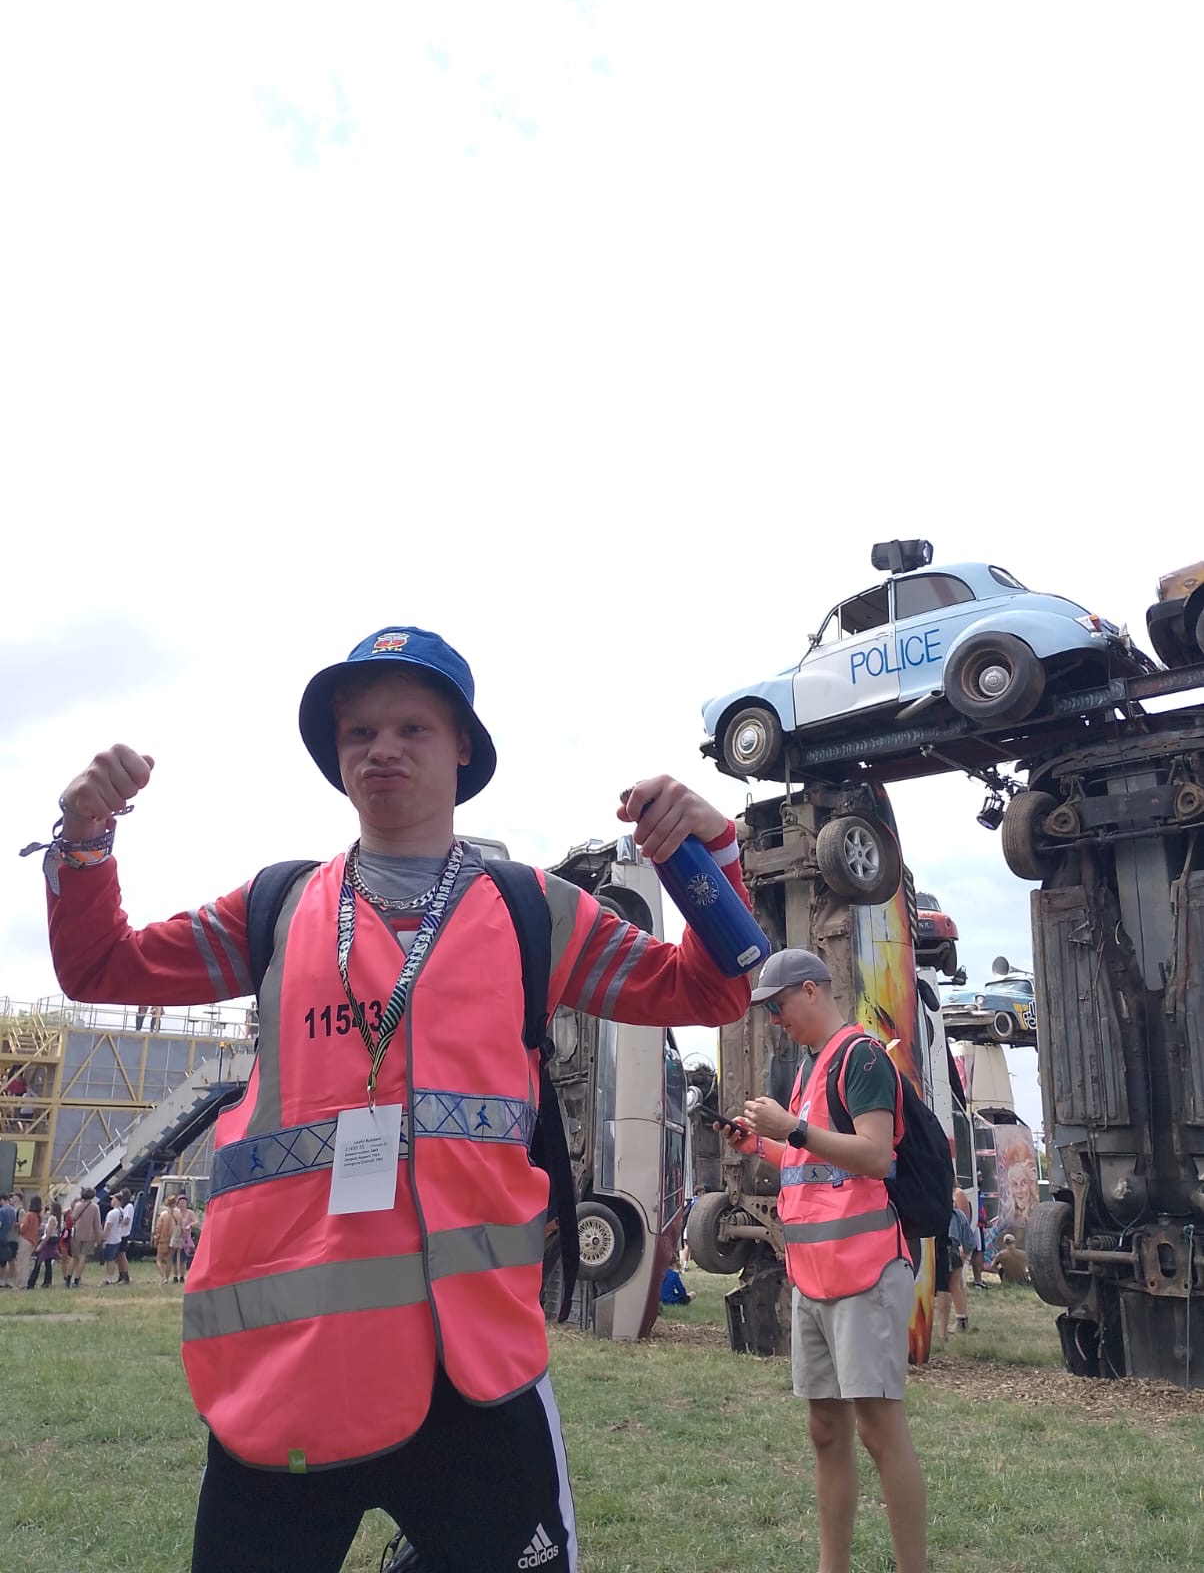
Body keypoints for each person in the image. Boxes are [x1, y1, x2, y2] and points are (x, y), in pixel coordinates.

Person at [41, 623, 753, 1573]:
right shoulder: (275, 910)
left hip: (476, 1372)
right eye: (360, 731)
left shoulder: (532, 912)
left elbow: (712, 989)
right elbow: (99, 966)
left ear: (462, 747)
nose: (382, 748)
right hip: (288, 1370)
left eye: (412, 728)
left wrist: (706, 854)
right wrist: (86, 842)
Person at [722, 948, 927, 1573]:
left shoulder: (861, 1056)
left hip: (863, 1272)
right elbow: (813, 1163)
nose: (775, 1020)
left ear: (811, 990)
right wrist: (762, 1145)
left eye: (779, 1005)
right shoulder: (812, 1067)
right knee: (825, 1427)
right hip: (814, 1277)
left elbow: (874, 1156)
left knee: (877, 1428)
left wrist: (793, 1130)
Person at [937, 1193, 976, 1337]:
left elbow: (953, 1235)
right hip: (958, 1250)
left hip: (952, 1250)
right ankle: (962, 1318)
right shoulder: (959, 1213)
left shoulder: (951, 1214)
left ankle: (961, 1320)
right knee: (957, 1285)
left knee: (952, 1286)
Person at [67, 1188, 103, 1288]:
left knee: (74, 1257)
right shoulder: (95, 1207)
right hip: (89, 1235)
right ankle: (76, 1280)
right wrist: (99, 1237)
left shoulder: (77, 1205)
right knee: (83, 1257)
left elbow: (72, 1217)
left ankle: (68, 1279)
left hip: (76, 1234)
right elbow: (97, 1224)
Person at [30, 1200, 61, 1288]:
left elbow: (48, 1234)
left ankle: (31, 1282)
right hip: (51, 1241)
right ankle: (47, 1281)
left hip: (47, 1241)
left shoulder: (52, 1219)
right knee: (48, 1262)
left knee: (38, 1262)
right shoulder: (55, 1218)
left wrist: (41, 1245)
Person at [16, 1193, 41, 1288]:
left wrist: (19, 1226)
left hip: (25, 1239)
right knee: (26, 1262)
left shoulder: (29, 1214)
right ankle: (24, 1281)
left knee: (22, 1262)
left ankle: (22, 1283)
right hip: (32, 1241)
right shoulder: (37, 1216)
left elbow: (23, 1227)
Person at [153, 1195, 179, 1284]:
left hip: (163, 1240)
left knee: (159, 1259)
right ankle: (167, 1277)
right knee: (168, 1259)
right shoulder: (178, 1214)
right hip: (173, 1240)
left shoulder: (163, 1214)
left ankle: (164, 1278)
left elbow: (158, 1228)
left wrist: (156, 1238)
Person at [101, 1192, 125, 1284]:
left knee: (109, 1259)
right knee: (113, 1259)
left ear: (117, 1200)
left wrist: (104, 1238)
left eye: (113, 1199)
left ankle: (109, 1278)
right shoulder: (121, 1211)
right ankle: (110, 1277)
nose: (111, 1201)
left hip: (111, 1239)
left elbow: (108, 1226)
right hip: (117, 1237)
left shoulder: (112, 1213)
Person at [116, 1188, 134, 1284]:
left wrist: (118, 1223)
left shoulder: (128, 1207)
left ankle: (125, 1276)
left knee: (122, 1254)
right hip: (120, 1233)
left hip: (124, 1233)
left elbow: (126, 1221)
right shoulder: (124, 1207)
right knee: (119, 1255)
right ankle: (121, 1274)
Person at [0, 1193, 18, 1287]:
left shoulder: (2, 1211)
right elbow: (13, 1225)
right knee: (8, 1259)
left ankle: (1, 1280)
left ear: (2, 1200)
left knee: (1, 1261)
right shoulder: (13, 1211)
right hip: (7, 1237)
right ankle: (8, 1280)